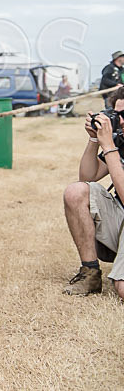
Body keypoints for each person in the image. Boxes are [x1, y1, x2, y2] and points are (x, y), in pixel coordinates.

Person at [62, 86, 124, 300]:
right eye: (117, 115)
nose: (119, 121)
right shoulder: (121, 140)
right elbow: (87, 177)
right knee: (75, 192)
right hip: (120, 221)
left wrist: (109, 147)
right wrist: (95, 140)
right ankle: (90, 273)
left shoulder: (115, 144)